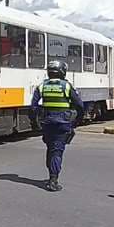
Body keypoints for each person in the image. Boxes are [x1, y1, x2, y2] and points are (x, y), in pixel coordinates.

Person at [30, 60, 84, 192]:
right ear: (62, 72)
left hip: (48, 123)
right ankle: (53, 181)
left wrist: (34, 122)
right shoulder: (67, 86)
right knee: (57, 151)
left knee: (50, 148)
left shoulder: (42, 86)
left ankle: (51, 174)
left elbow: (33, 107)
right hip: (63, 123)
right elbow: (80, 105)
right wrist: (77, 120)